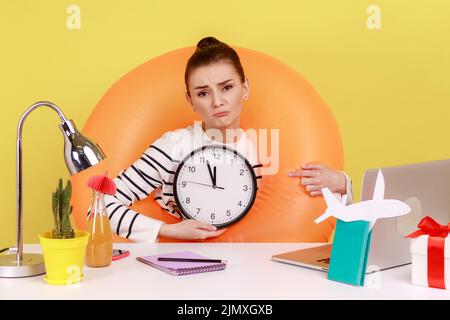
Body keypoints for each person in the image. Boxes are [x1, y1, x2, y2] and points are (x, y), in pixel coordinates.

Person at [104, 36, 352, 242]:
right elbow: (101, 205)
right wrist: (167, 230)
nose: (217, 101)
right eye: (203, 93)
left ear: (245, 88)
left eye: (227, 87)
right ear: (190, 100)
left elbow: (319, 207)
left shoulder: (266, 149)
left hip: (255, 271)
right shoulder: (174, 147)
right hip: (183, 266)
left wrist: (341, 182)